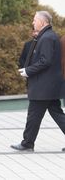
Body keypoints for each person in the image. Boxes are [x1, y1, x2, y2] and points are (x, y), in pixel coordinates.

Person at [11, 11, 65, 152]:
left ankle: (27, 143)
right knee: (57, 114)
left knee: (34, 115)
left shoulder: (47, 38)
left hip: (43, 87)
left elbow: (45, 61)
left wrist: (28, 71)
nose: (32, 23)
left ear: (43, 22)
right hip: (48, 86)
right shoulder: (48, 36)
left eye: (35, 20)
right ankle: (27, 143)